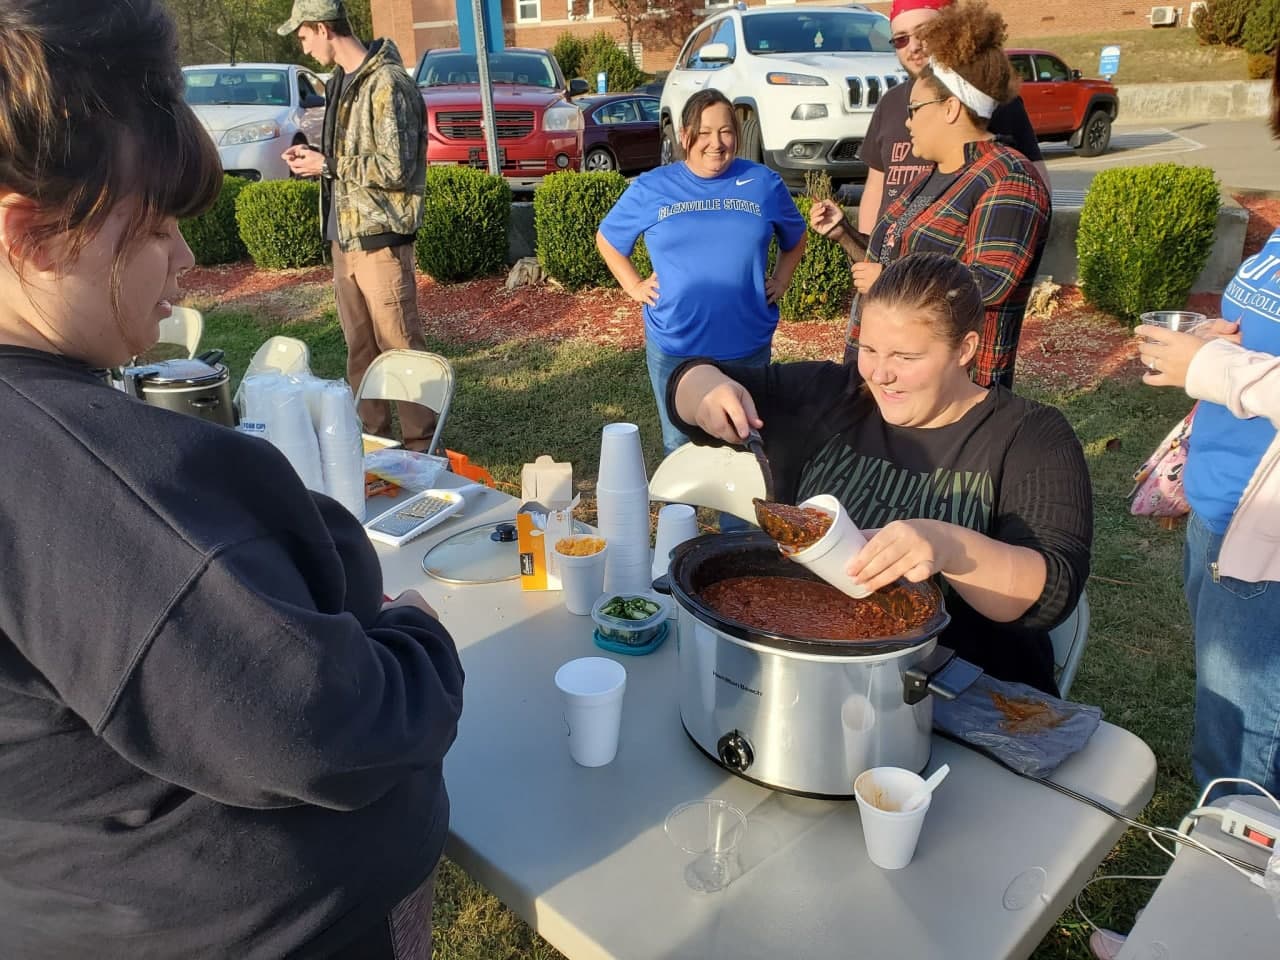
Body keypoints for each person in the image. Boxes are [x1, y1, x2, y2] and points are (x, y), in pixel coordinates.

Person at [0, 2, 464, 957]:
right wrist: (422, 639)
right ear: (36, 235)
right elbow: (315, 721)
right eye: (157, 224)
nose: (186, 260)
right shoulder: (73, 469)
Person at [670, 252, 1092, 694]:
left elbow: (1052, 592)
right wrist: (706, 393)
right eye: (869, 349)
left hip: (962, 693)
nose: (881, 374)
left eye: (906, 357)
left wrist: (947, 545)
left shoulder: (1031, 437)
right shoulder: (834, 394)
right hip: (813, 676)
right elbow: (687, 380)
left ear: (965, 349)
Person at [811, 0, 1050, 388]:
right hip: (891, 375)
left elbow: (987, 284)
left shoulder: (1008, 179)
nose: (907, 121)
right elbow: (886, 256)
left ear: (951, 108)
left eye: (916, 109)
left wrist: (889, 281)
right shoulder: (937, 175)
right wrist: (845, 234)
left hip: (948, 395)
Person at [596, 88, 807, 458]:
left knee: (742, 446)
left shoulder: (763, 183)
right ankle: (683, 518)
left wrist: (783, 279)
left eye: (726, 131)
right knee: (680, 449)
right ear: (684, 135)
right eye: (705, 132)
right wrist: (633, 284)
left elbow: (796, 236)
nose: (716, 142)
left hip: (746, 344)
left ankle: (736, 520)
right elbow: (609, 239)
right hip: (676, 344)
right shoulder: (652, 187)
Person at [280, 0, 436, 451]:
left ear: (322, 28)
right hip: (343, 239)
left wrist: (327, 164)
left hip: (381, 243)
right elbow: (349, 161)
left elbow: (396, 168)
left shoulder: (389, 84)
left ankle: (422, 453)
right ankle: (370, 451)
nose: (303, 46)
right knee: (361, 354)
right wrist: (316, 157)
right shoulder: (340, 83)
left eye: (303, 36)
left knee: (400, 352)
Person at [854, 0, 1046, 236]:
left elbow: (1037, 186)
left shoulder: (994, 103)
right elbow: (876, 187)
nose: (913, 46)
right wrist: (866, 249)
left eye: (924, 33)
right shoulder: (890, 103)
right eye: (901, 39)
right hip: (892, 262)